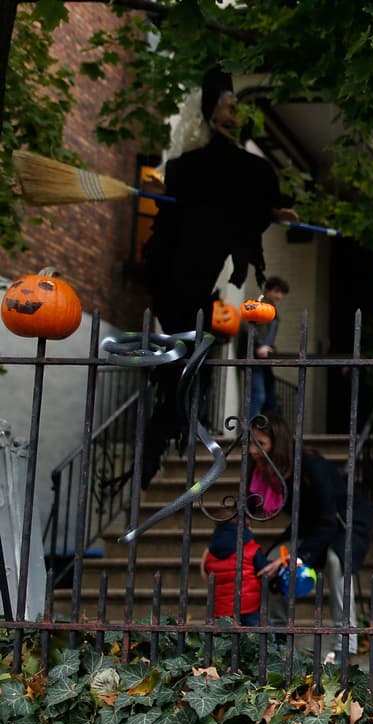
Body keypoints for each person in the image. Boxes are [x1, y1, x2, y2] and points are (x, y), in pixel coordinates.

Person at [137, 67, 298, 487]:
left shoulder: (247, 169)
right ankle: (171, 417)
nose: (234, 114)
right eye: (227, 107)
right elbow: (172, 221)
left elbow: (248, 204)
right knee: (181, 339)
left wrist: (271, 212)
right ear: (208, 113)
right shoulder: (186, 167)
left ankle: (176, 416)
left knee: (191, 343)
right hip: (177, 264)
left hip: (203, 270)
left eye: (236, 107)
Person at [246, 414, 373, 662]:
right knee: (270, 562)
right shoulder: (265, 471)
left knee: (337, 563)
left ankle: (345, 641)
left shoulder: (311, 465)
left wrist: (299, 558)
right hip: (309, 528)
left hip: (341, 524)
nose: (253, 450)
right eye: (251, 443)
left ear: (277, 443)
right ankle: (279, 636)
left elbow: (327, 520)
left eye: (260, 443)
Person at [200, 520, 266, 625]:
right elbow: (264, 571)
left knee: (227, 638)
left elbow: (205, 575)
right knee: (261, 636)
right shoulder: (251, 549)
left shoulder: (209, 554)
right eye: (248, 526)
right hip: (249, 607)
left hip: (221, 611)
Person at [245, 276, 290, 420]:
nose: (279, 296)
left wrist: (269, 348)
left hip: (264, 359)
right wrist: (259, 346)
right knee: (258, 395)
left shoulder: (272, 310)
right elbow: (249, 328)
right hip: (255, 358)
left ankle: (266, 432)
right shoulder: (259, 306)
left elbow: (268, 338)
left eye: (282, 293)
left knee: (270, 399)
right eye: (277, 291)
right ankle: (251, 433)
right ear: (268, 290)